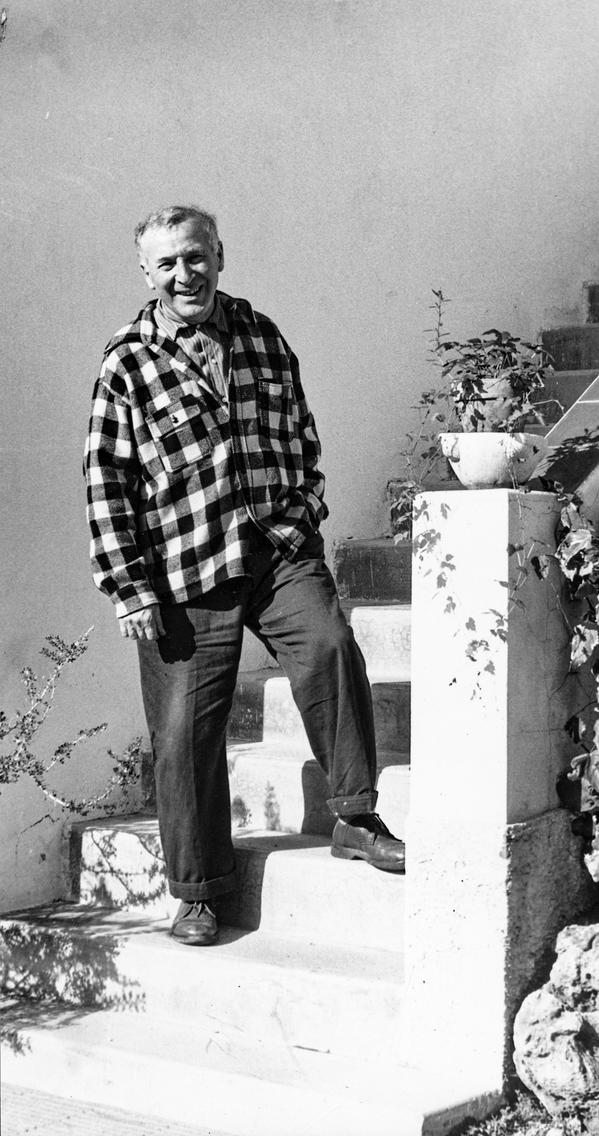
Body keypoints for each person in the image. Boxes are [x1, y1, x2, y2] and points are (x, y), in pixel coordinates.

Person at [84, 205, 404, 946]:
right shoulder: (128, 359)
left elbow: (300, 430)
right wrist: (131, 587)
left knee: (328, 649)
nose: (183, 274)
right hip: (183, 569)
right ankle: (198, 890)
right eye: (166, 264)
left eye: (195, 257)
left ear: (219, 255)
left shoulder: (261, 334)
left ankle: (355, 816)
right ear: (147, 273)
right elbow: (106, 481)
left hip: (276, 549)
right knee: (184, 732)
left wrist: (304, 514)